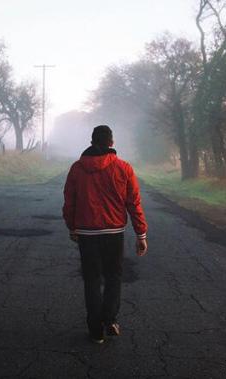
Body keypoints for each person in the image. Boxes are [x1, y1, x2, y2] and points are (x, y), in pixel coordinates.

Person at [62, 124, 148, 344]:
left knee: (91, 279)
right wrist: (141, 234)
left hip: (86, 232)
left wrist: (72, 226)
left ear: (92, 141)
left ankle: (95, 330)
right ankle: (109, 319)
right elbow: (133, 202)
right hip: (114, 232)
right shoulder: (124, 168)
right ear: (112, 143)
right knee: (113, 276)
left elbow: (69, 200)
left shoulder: (77, 169)